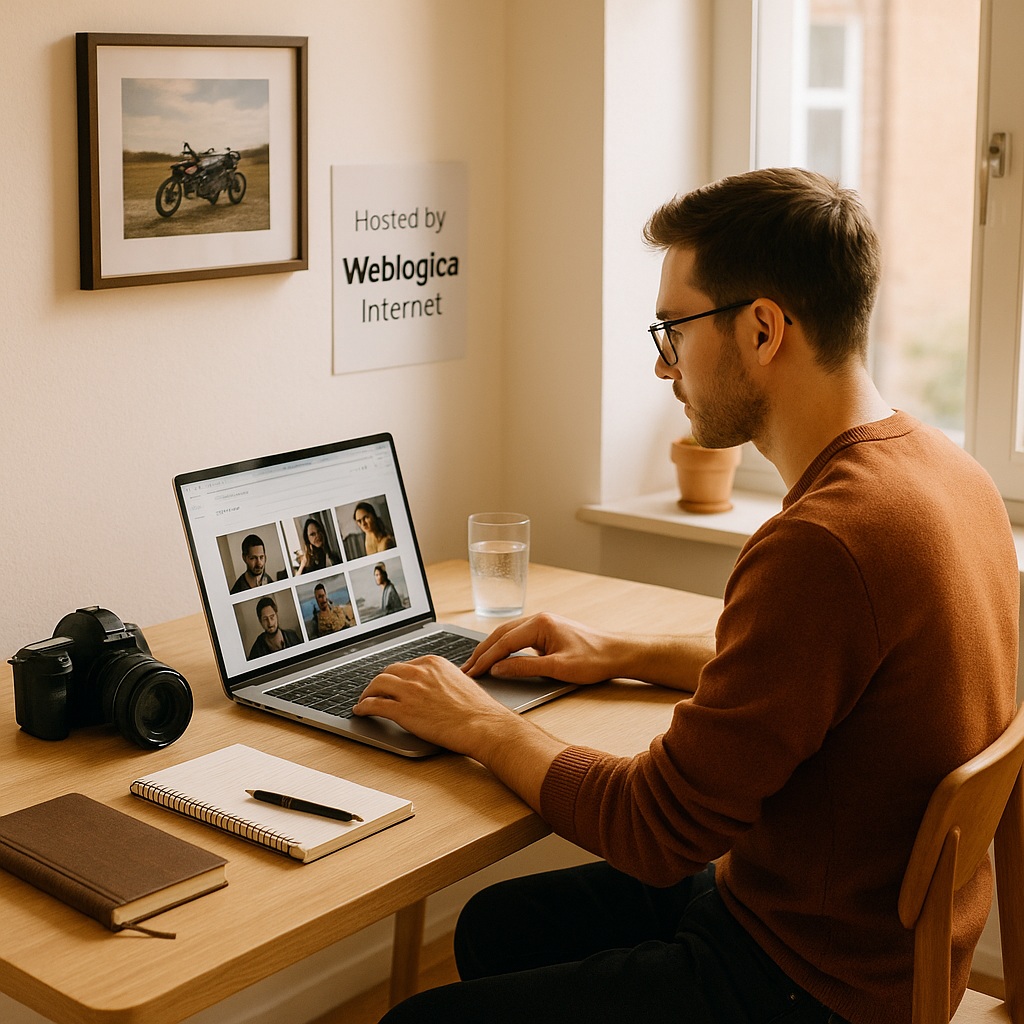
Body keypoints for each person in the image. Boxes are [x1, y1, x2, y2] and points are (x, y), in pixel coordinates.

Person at [354, 168, 1020, 1024]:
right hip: (865, 941)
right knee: (496, 924)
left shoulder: (825, 541)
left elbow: (655, 830)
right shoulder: (943, 472)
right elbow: (815, 682)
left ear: (763, 329)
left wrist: (482, 723)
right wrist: (620, 652)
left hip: (802, 984)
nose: (662, 362)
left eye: (674, 327)